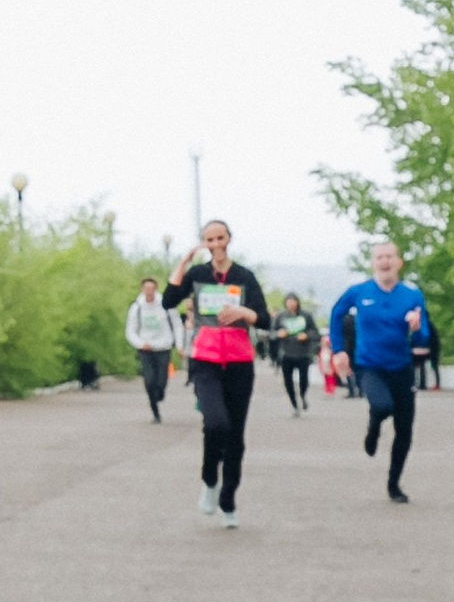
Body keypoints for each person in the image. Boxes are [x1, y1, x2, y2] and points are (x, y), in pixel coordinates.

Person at [163, 220, 270, 525]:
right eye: (209, 240)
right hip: (205, 360)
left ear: (229, 239)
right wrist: (183, 263)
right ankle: (210, 480)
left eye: (220, 238)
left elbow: (264, 319)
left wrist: (244, 313)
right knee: (215, 424)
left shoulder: (244, 276)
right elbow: (169, 301)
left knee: (235, 436)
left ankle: (228, 502)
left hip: (239, 362)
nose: (216, 244)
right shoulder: (198, 274)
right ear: (204, 243)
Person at [327, 240, 430, 500]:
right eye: (380, 257)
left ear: (399, 262)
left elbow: (423, 338)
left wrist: (416, 327)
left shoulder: (412, 295)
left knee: (404, 429)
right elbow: (336, 314)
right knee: (383, 406)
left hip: (402, 368)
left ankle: (394, 484)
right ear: (373, 263)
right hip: (369, 366)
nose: (385, 261)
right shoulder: (359, 292)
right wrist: (339, 350)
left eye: (390, 256)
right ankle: (373, 427)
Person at [124, 273, 177, 420]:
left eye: (151, 288)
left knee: (161, 380)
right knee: (149, 380)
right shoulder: (137, 307)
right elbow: (130, 330)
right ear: (142, 289)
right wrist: (141, 343)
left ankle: (159, 394)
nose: (149, 291)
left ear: (156, 289)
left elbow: (177, 325)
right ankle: (155, 411)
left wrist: (178, 344)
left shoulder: (166, 305)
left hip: (163, 347)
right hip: (145, 349)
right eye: (146, 288)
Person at [272, 294, 318, 414]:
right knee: (288, 380)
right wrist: (278, 334)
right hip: (286, 353)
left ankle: (303, 395)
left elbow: (315, 332)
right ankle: (294, 404)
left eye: (293, 301)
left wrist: (306, 335)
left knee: (304, 379)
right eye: (289, 302)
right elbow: (271, 333)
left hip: (303, 352)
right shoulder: (281, 317)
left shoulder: (306, 315)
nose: (291, 304)